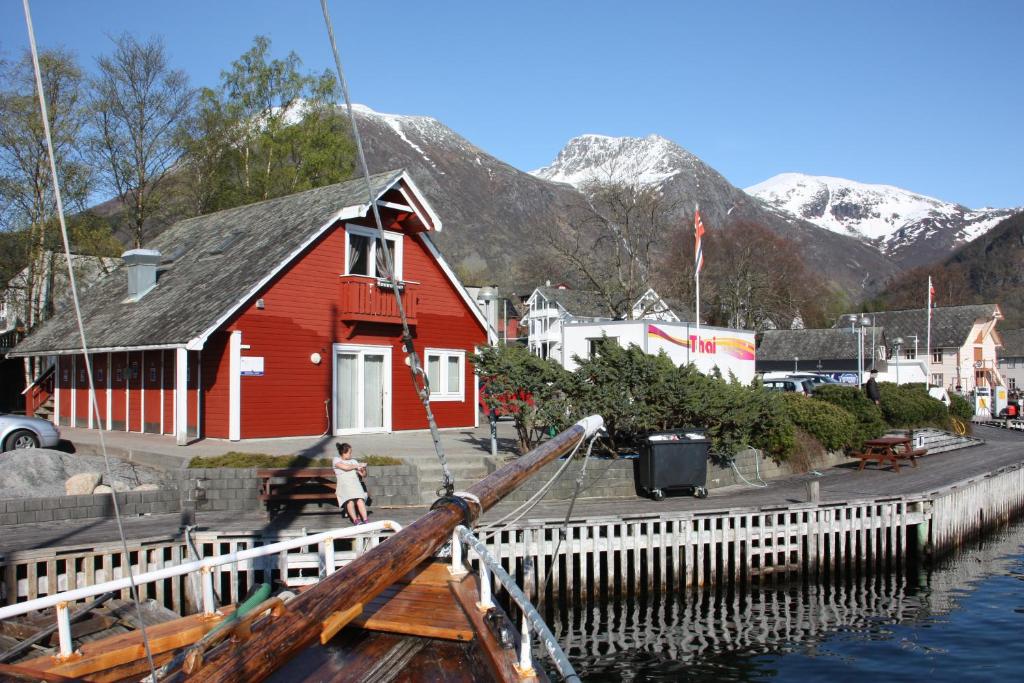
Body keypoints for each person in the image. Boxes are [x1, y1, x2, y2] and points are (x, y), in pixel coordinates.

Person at [333, 442, 369, 525]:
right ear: (343, 453)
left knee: (360, 500)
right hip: (344, 485)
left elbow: (363, 475)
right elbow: (345, 468)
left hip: (355, 484)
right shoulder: (336, 460)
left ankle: (365, 519)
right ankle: (356, 520)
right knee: (350, 501)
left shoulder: (353, 461)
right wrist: (357, 465)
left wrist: (363, 469)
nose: (350, 455)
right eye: (349, 453)